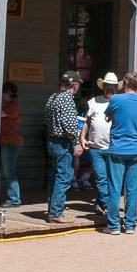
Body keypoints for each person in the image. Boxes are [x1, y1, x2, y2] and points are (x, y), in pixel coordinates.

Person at [103, 71, 137, 235]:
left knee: (114, 188)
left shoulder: (116, 99)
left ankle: (113, 225)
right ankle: (130, 225)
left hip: (117, 148)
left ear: (126, 84)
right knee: (132, 189)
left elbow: (108, 116)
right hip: (136, 148)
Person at [45, 71, 83, 224]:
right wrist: (76, 142)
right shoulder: (66, 98)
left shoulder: (52, 97)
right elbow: (69, 125)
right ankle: (56, 213)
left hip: (52, 140)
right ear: (74, 84)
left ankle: (52, 210)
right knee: (65, 176)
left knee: (55, 176)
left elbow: (47, 118)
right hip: (62, 142)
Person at [81, 72, 118, 217]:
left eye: (113, 86)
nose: (110, 88)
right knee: (101, 178)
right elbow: (86, 122)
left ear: (117, 88)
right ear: (103, 87)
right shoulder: (93, 101)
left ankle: (101, 204)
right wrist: (82, 137)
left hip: (113, 147)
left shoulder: (119, 102)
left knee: (111, 179)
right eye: (107, 86)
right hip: (95, 147)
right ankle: (105, 204)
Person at [0, 82, 23, 208]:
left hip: (11, 143)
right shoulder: (10, 105)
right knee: (6, 171)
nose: (1, 95)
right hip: (7, 142)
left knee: (9, 172)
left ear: (7, 93)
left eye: (2, 93)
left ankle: (14, 199)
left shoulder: (12, 106)